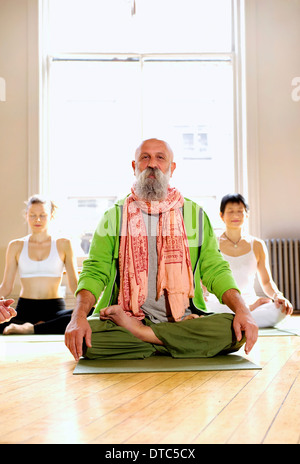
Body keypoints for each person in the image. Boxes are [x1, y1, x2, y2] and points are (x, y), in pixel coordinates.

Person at [65, 139, 258, 362]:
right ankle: (176, 343)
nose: (152, 164)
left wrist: (243, 310)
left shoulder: (194, 214)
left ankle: (143, 337)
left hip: (185, 319)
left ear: (171, 168)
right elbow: (95, 271)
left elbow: (215, 269)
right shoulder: (114, 216)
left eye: (160, 157)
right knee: (87, 339)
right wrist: (78, 317)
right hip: (126, 317)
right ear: (134, 167)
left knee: (234, 329)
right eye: (145, 157)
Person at [204, 193, 293, 328]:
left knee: (279, 310)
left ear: (247, 214)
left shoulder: (257, 245)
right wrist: (201, 294)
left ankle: (236, 317)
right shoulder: (213, 243)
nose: (235, 215)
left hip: (250, 300)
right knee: (205, 308)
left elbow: (267, 282)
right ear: (221, 215)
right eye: (230, 211)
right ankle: (245, 314)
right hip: (221, 302)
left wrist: (278, 295)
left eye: (240, 211)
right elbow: (205, 276)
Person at [0, 195, 78, 335]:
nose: (37, 220)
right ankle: (41, 327)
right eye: (32, 215)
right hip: (24, 310)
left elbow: (74, 285)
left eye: (42, 215)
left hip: (55, 310)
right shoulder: (16, 246)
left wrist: (87, 305)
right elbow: (6, 286)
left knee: (89, 314)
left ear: (51, 216)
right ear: (26, 216)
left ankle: (31, 329)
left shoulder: (64, 244)